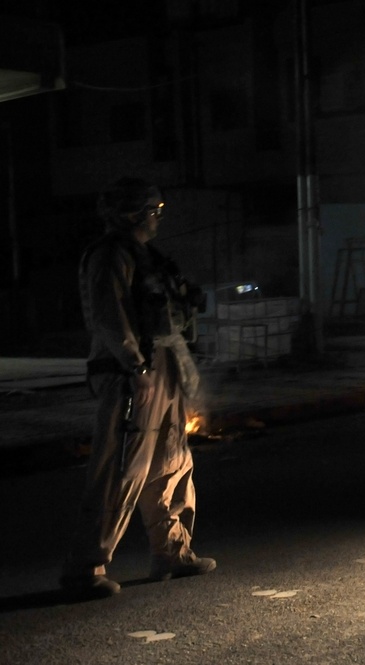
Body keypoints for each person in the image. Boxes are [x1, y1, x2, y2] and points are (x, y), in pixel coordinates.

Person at [59, 177, 216, 600]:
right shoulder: (110, 256)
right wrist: (137, 366)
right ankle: (85, 568)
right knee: (121, 468)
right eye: (151, 209)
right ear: (131, 213)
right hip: (133, 373)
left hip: (162, 367)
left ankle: (173, 552)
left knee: (170, 460)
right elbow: (110, 315)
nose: (157, 216)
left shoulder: (145, 256)